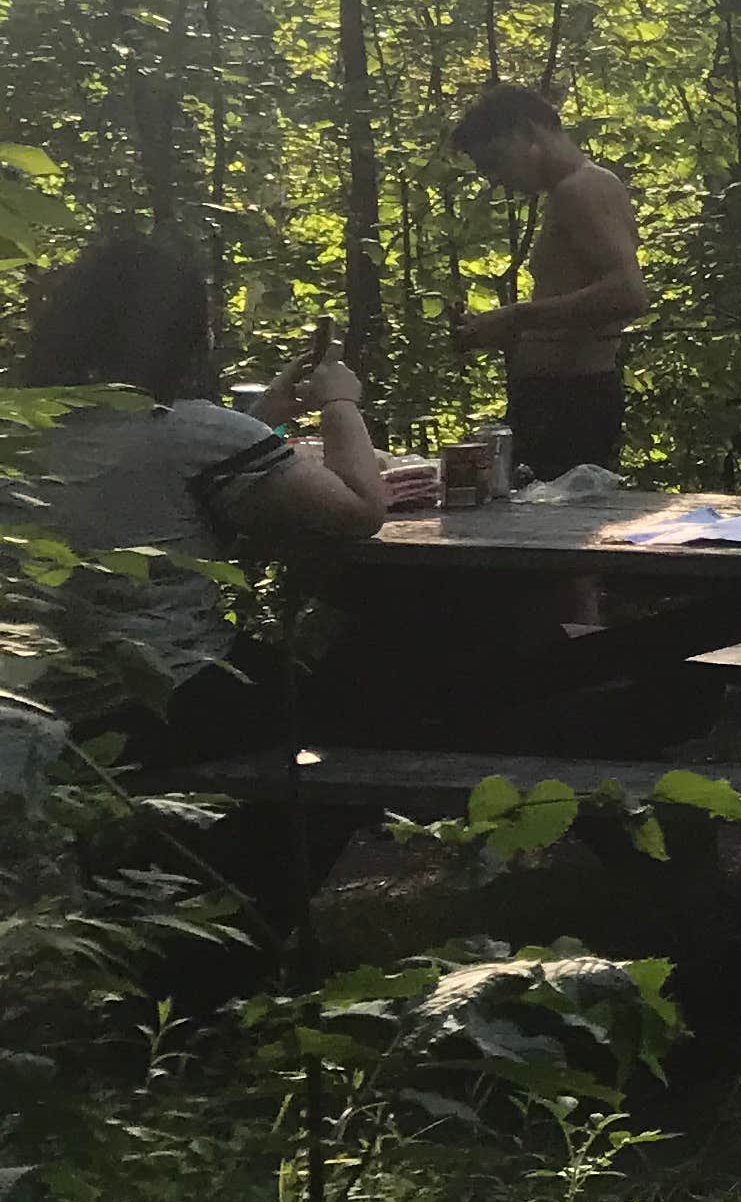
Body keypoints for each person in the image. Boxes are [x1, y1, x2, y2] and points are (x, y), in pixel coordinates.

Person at [21, 233, 388, 755]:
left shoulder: (25, 425)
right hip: (162, 699)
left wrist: (257, 421)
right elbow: (360, 511)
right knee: (369, 680)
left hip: (38, 698)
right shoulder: (187, 427)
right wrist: (341, 403)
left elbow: (157, 472)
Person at [446, 83, 649, 479]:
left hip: (572, 406)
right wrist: (500, 331)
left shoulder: (582, 188)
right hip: (554, 401)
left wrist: (516, 318)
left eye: (496, 161)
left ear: (527, 132)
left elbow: (629, 292)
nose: (497, 179)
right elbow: (574, 303)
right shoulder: (570, 191)